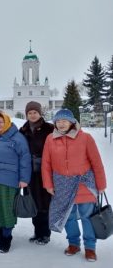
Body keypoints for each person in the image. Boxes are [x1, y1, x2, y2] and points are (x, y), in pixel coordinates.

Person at [42, 109, 107, 262]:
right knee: (68, 217)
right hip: (61, 185)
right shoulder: (50, 139)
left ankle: (90, 247)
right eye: (58, 121)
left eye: (64, 120)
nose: (61, 124)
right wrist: (48, 185)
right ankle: (73, 244)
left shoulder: (85, 138)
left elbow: (96, 162)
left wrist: (101, 184)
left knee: (87, 217)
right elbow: (46, 164)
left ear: (72, 122)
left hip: (83, 183)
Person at [0, 112, 31, 253]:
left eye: (1, 122)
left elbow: (25, 159)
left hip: (8, 181)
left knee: (7, 210)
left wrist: (24, 179)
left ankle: (6, 238)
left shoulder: (17, 138)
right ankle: (0, 232)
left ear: (7, 123)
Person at [19, 101, 54, 245]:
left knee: (44, 204)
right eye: (29, 113)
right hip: (30, 173)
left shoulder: (50, 129)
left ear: (40, 113)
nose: (32, 115)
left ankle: (45, 234)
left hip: (45, 173)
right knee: (33, 202)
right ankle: (37, 232)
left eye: (35, 112)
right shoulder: (23, 130)